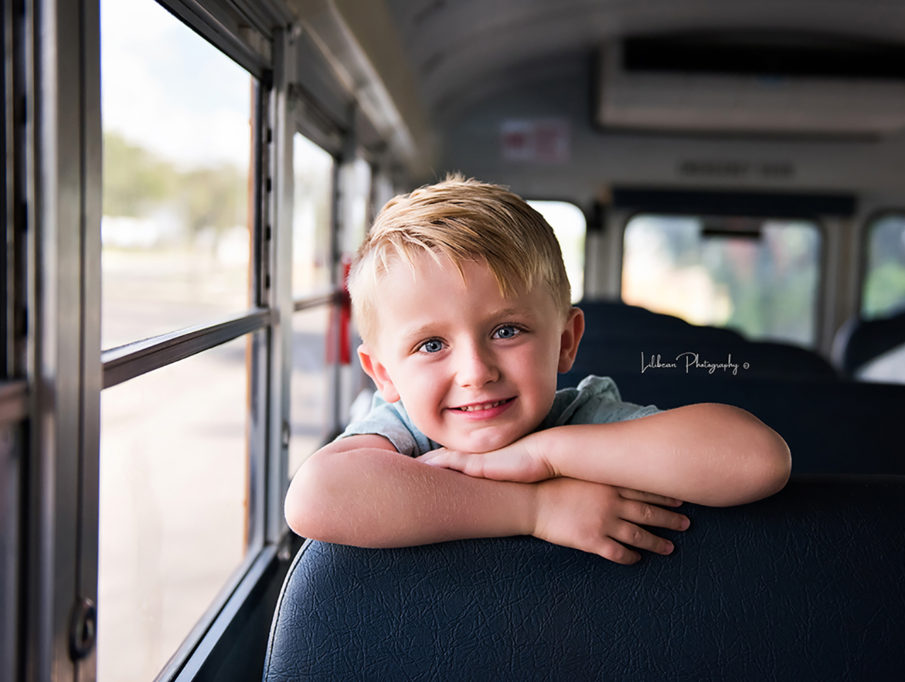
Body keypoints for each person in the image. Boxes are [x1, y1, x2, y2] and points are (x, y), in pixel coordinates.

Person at [285, 175, 791, 564]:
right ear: (384, 375)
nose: (475, 372)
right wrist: (537, 510)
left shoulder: (581, 420)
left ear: (566, 341)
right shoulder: (401, 434)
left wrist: (547, 455)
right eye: (432, 344)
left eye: (506, 331)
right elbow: (315, 496)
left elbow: (756, 460)